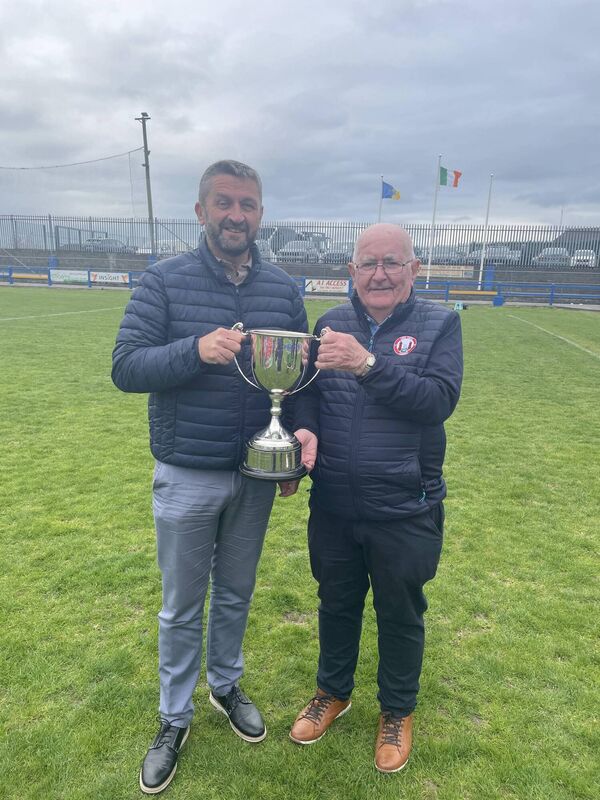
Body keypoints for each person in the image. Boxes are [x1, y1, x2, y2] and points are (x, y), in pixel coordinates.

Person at [111, 160, 308, 795]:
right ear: (201, 212)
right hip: (186, 471)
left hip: (255, 474)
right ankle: (174, 717)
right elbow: (127, 366)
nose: (235, 215)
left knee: (236, 594)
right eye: (223, 203)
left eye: (247, 204)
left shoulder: (282, 288)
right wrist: (195, 350)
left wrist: (293, 450)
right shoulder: (163, 282)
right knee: (180, 606)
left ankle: (225, 684)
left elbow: (296, 379)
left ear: (260, 214)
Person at [290, 223, 463, 773]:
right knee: (336, 602)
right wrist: (306, 429)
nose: (380, 274)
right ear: (352, 271)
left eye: (392, 262)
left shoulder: (441, 324)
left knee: (400, 610)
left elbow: (437, 401)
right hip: (335, 502)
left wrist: (367, 364)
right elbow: (310, 395)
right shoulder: (330, 322)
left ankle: (396, 710)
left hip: (405, 504)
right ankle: (332, 692)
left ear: (414, 268)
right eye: (368, 263)